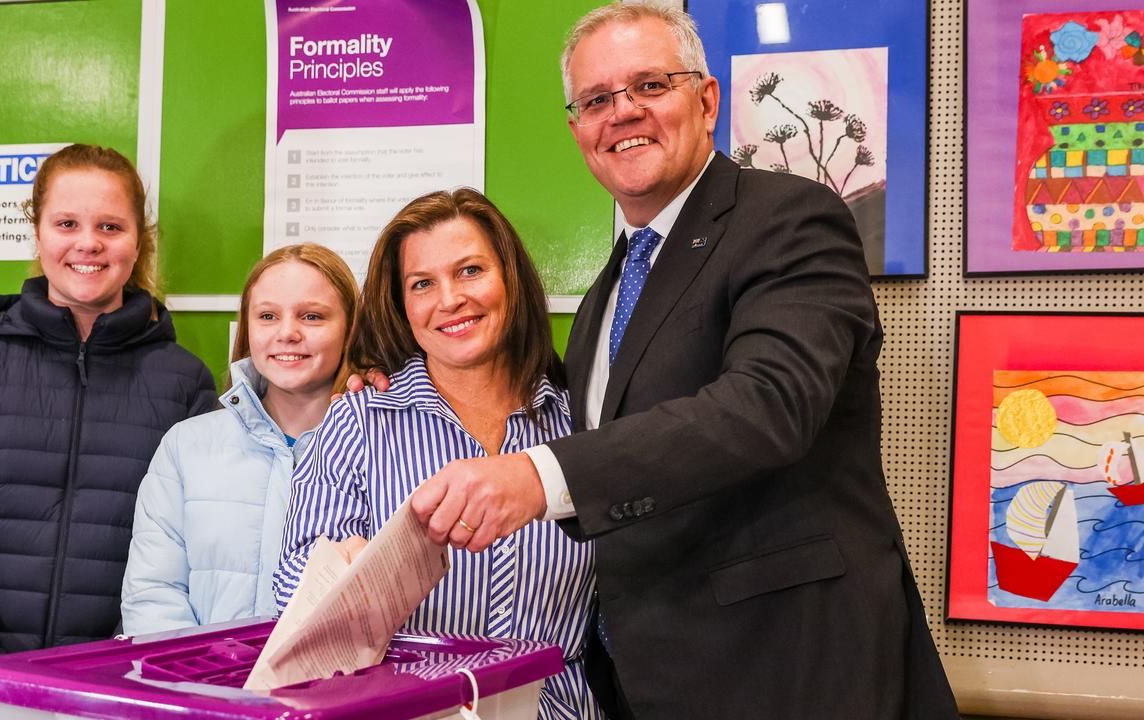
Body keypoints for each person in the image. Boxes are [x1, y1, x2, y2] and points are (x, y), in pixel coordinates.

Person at [405, 3, 959, 718]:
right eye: (597, 100)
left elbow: (771, 404)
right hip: (643, 685)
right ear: (577, 131)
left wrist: (541, 476)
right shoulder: (607, 294)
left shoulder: (790, 219)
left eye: (649, 86)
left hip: (788, 673)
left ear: (706, 100)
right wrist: (381, 366)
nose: (622, 113)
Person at [0, 144, 217, 720]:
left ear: (138, 239)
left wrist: (121, 675)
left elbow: (195, 550)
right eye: (67, 223)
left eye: (110, 226)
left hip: (113, 699)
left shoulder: (184, 382)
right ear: (38, 233)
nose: (87, 243)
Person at [272, 189, 602, 720]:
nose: (449, 299)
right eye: (422, 283)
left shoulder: (580, 424)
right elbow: (291, 589)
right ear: (403, 306)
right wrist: (339, 573)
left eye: (470, 271)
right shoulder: (359, 421)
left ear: (510, 280)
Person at [121, 244, 359, 635]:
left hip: (336, 690)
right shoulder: (186, 447)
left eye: (312, 316)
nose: (287, 333)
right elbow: (153, 594)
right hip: (201, 688)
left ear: (350, 328)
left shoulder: (383, 448)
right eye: (267, 316)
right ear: (248, 329)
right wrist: (198, 686)